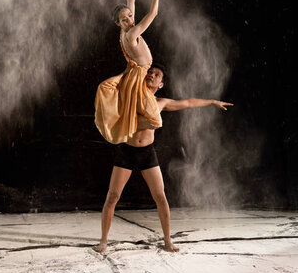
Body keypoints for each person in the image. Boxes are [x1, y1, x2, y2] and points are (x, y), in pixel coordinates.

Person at [94, 64, 234, 253]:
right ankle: (103, 241)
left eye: (157, 75)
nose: (152, 75)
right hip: (126, 151)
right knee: (113, 196)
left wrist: (211, 102)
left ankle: (168, 241)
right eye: (150, 73)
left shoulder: (161, 103)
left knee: (160, 196)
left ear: (161, 84)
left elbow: (187, 102)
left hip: (147, 153)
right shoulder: (131, 97)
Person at [94, 0, 162, 144]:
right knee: (154, 119)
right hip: (138, 75)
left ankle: (128, 124)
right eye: (125, 20)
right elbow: (153, 13)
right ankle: (127, 126)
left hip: (136, 71)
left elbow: (130, 1)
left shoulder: (127, 29)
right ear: (118, 24)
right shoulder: (131, 33)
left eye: (130, 16)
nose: (130, 20)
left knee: (145, 114)